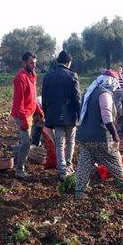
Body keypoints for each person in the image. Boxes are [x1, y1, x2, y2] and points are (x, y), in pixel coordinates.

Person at [75, 73, 123, 199]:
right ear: (111, 82)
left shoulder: (90, 92)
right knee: (114, 159)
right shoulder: (104, 94)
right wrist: (116, 136)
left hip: (83, 136)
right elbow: (106, 117)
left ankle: (79, 191)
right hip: (100, 136)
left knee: (84, 162)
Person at [42, 50, 82, 180]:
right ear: (68, 62)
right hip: (70, 115)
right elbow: (77, 97)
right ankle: (69, 166)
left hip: (54, 115)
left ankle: (61, 169)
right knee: (70, 141)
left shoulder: (48, 76)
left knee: (59, 142)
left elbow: (44, 97)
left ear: (58, 61)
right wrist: (80, 113)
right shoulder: (72, 75)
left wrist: (47, 114)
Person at [10, 52, 44, 180]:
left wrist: (38, 110)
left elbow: (32, 97)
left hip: (30, 112)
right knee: (25, 142)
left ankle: (19, 158)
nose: (34, 65)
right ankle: (19, 170)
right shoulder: (21, 78)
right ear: (24, 63)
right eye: (31, 62)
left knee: (29, 141)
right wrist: (24, 119)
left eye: (35, 63)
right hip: (21, 114)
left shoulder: (32, 76)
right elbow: (19, 102)